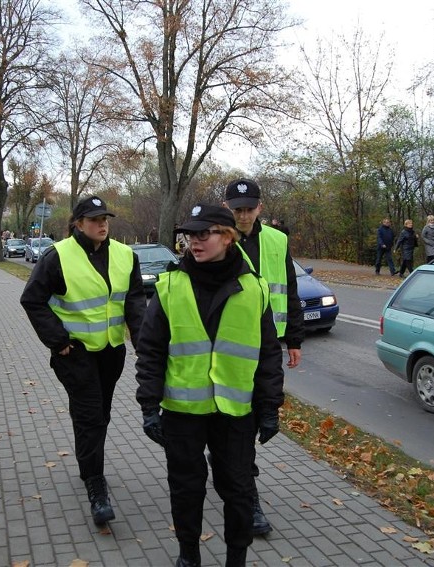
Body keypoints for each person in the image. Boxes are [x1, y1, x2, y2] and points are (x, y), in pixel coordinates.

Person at [135, 203, 284, 567]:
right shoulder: (170, 285)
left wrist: (269, 406)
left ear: (227, 236)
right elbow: (150, 350)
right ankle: (189, 554)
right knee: (186, 489)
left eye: (203, 234)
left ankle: (237, 558)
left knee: (237, 489)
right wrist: (149, 405)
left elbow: (267, 354)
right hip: (183, 412)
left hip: (236, 412)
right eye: (189, 235)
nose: (193, 242)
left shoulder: (255, 289)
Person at [20, 195, 146, 526]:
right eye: (93, 219)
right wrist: (58, 341)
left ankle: (88, 464)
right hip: (74, 353)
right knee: (91, 414)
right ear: (78, 223)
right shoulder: (57, 257)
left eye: (105, 218)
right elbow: (32, 299)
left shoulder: (125, 255)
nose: (102, 224)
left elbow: (134, 302)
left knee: (98, 413)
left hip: (111, 351)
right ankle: (96, 486)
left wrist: (144, 344)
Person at [222, 177, 304, 536]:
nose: (243, 215)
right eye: (237, 209)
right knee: (239, 418)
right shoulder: (217, 237)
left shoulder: (277, 240)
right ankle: (249, 496)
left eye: (248, 208)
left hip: (269, 344)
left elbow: (291, 286)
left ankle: (234, 466)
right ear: (228, 209)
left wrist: (295, 339)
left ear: (260, 208)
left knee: (258, 413)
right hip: (232, 342)